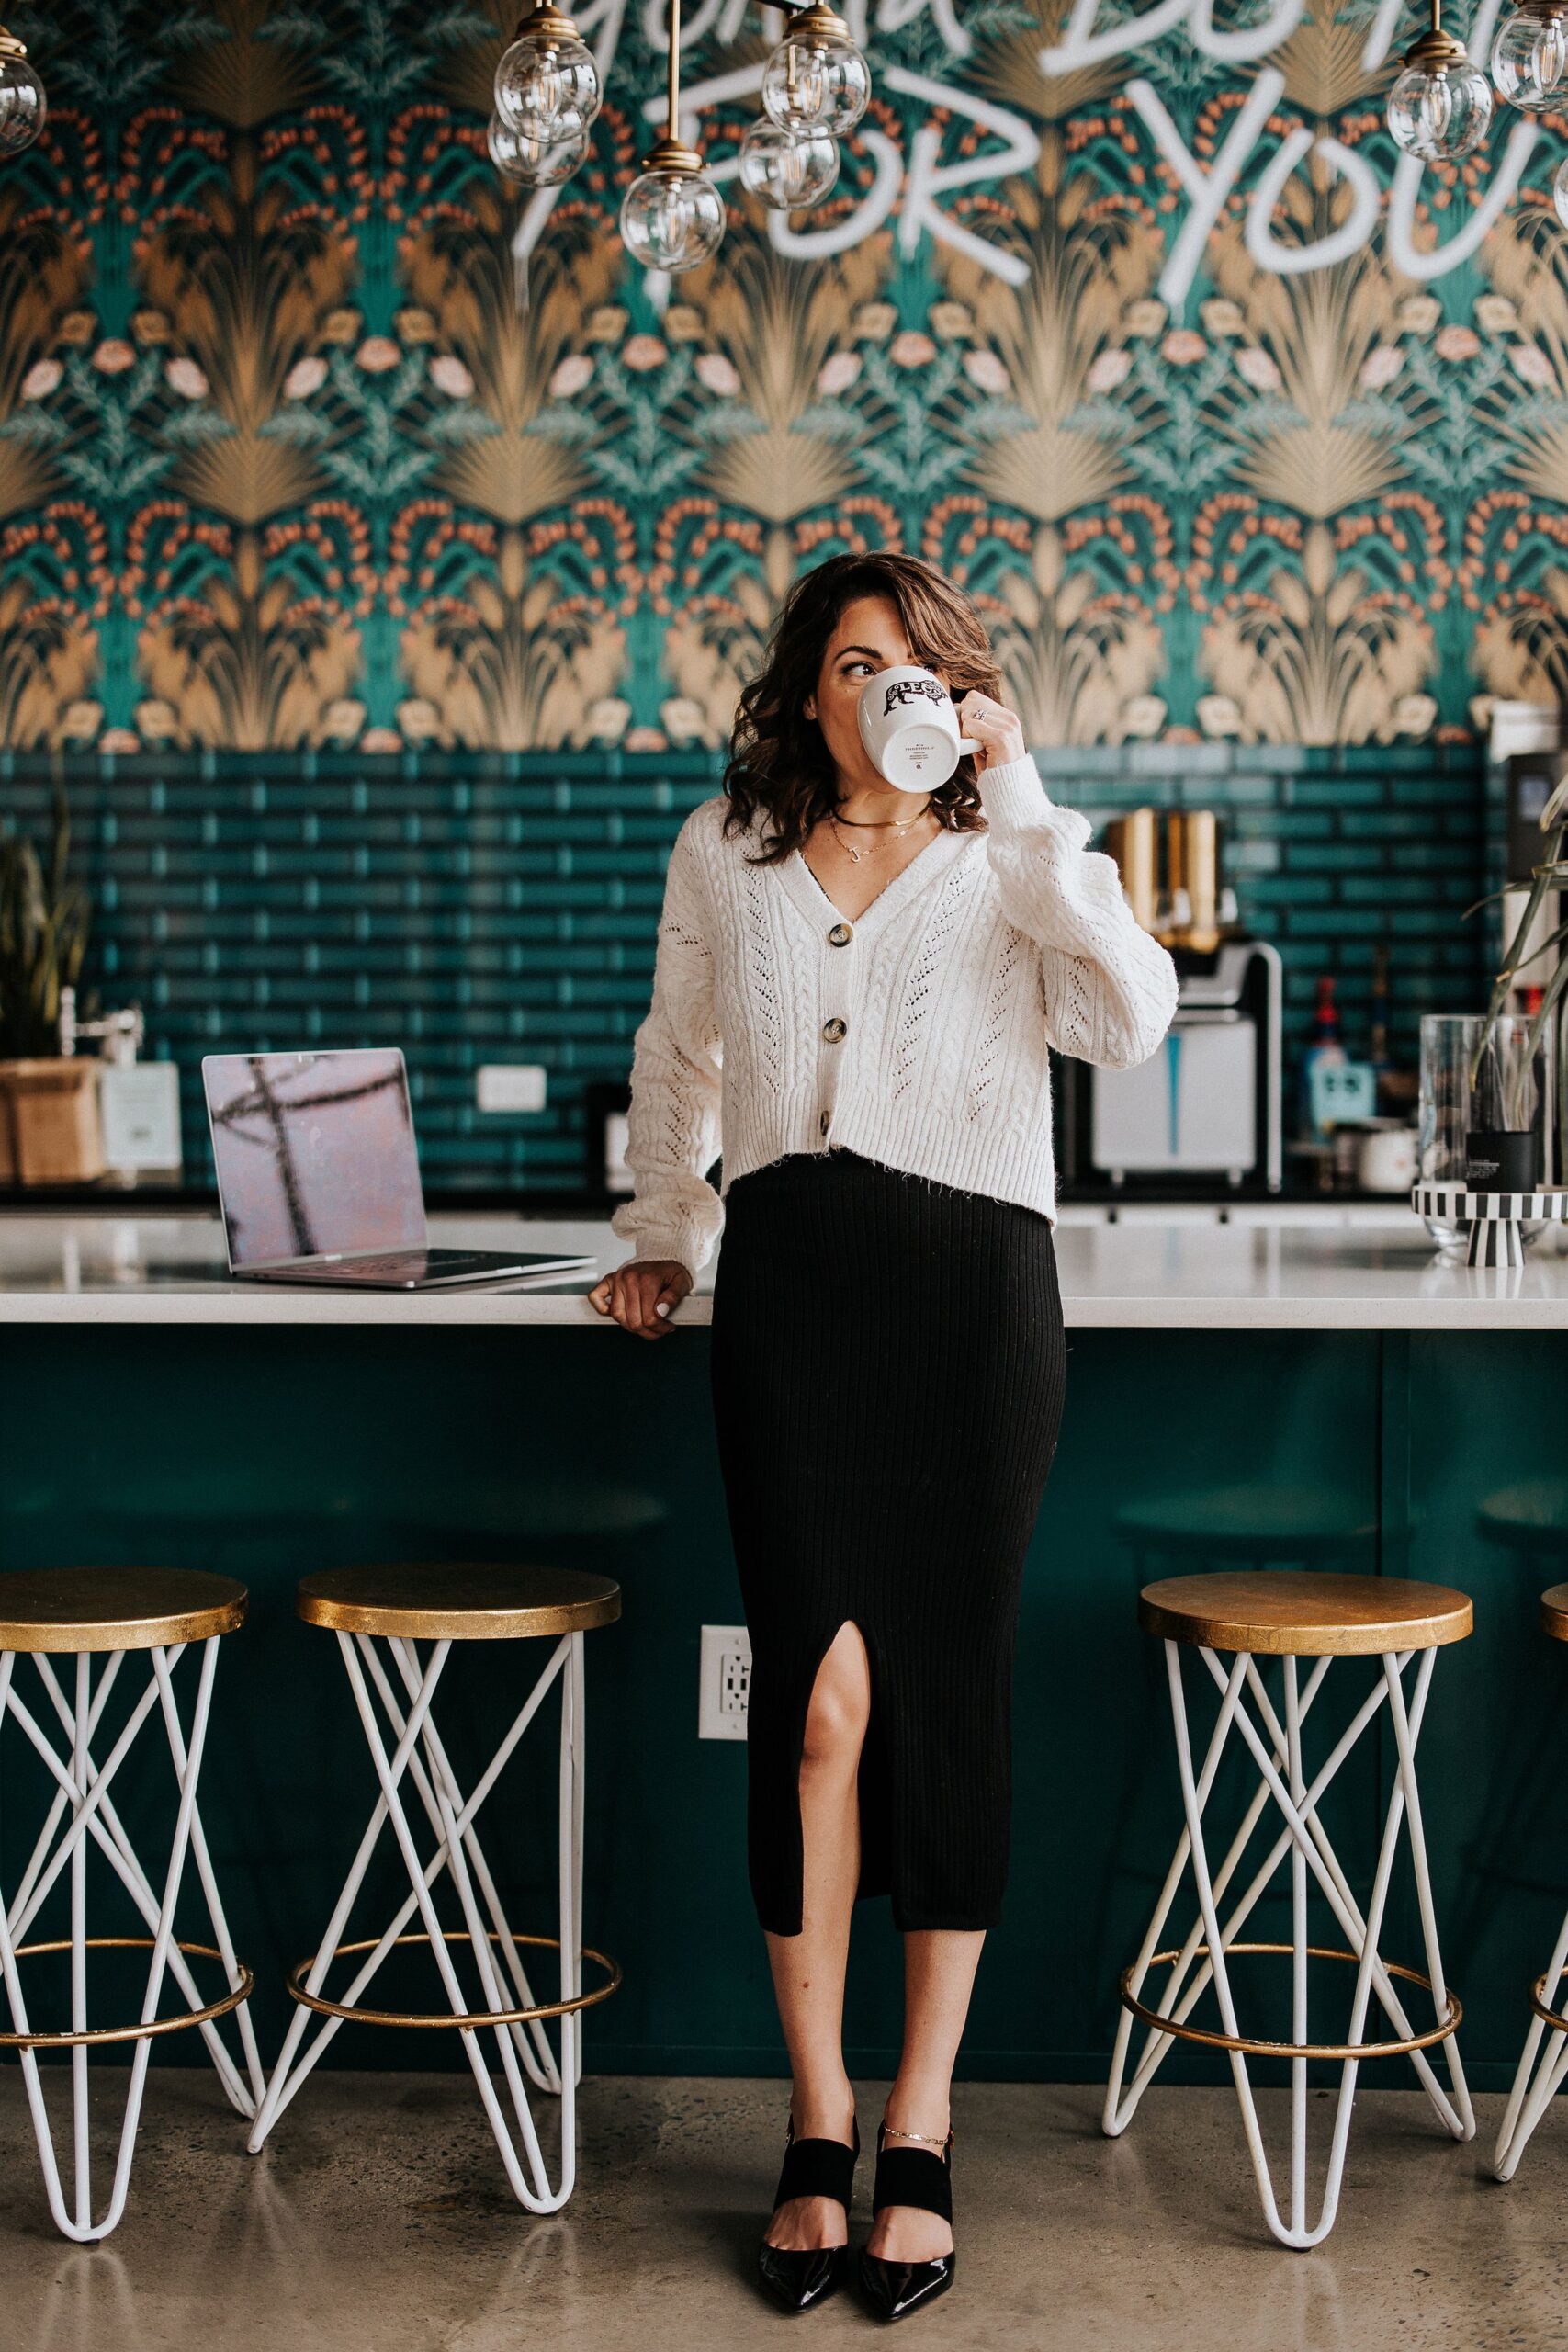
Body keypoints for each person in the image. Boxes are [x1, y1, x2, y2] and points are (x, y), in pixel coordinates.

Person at [590, 551, 1178, 2324]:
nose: (889, 691)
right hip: (796, 1302)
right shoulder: (729, 849)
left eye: (920, 665)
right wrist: (659, 1235)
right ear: (809, 687)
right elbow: (678, 1058)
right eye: (857, 663)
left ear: (962, 690)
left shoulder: (1012, 857)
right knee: (818, 1707)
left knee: (944, 1703)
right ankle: (818, 2119)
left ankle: (920, 2126)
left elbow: (1134, 1022)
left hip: (974, 1309)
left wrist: (1032, 809)